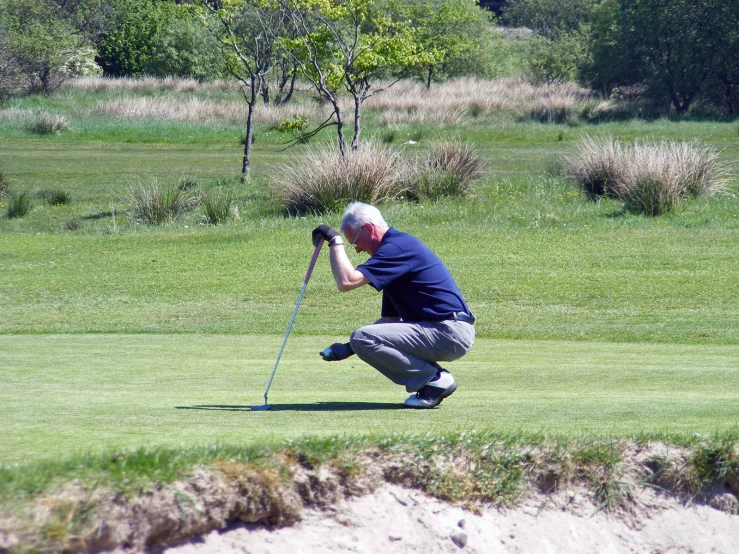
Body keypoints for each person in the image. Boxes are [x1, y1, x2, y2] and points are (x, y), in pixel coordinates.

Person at [312, 202, 475, 409]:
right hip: (443, 330)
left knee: (362, 336)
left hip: (448, 331)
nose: (358, 250)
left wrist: (335, 241)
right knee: (363, 338)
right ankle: (435, 379)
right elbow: (391, 320)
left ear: (369, 229)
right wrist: (349, 348)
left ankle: (434, 380)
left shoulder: (396, 248)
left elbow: (346, 282)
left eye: (355, 242)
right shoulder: (393, 252)